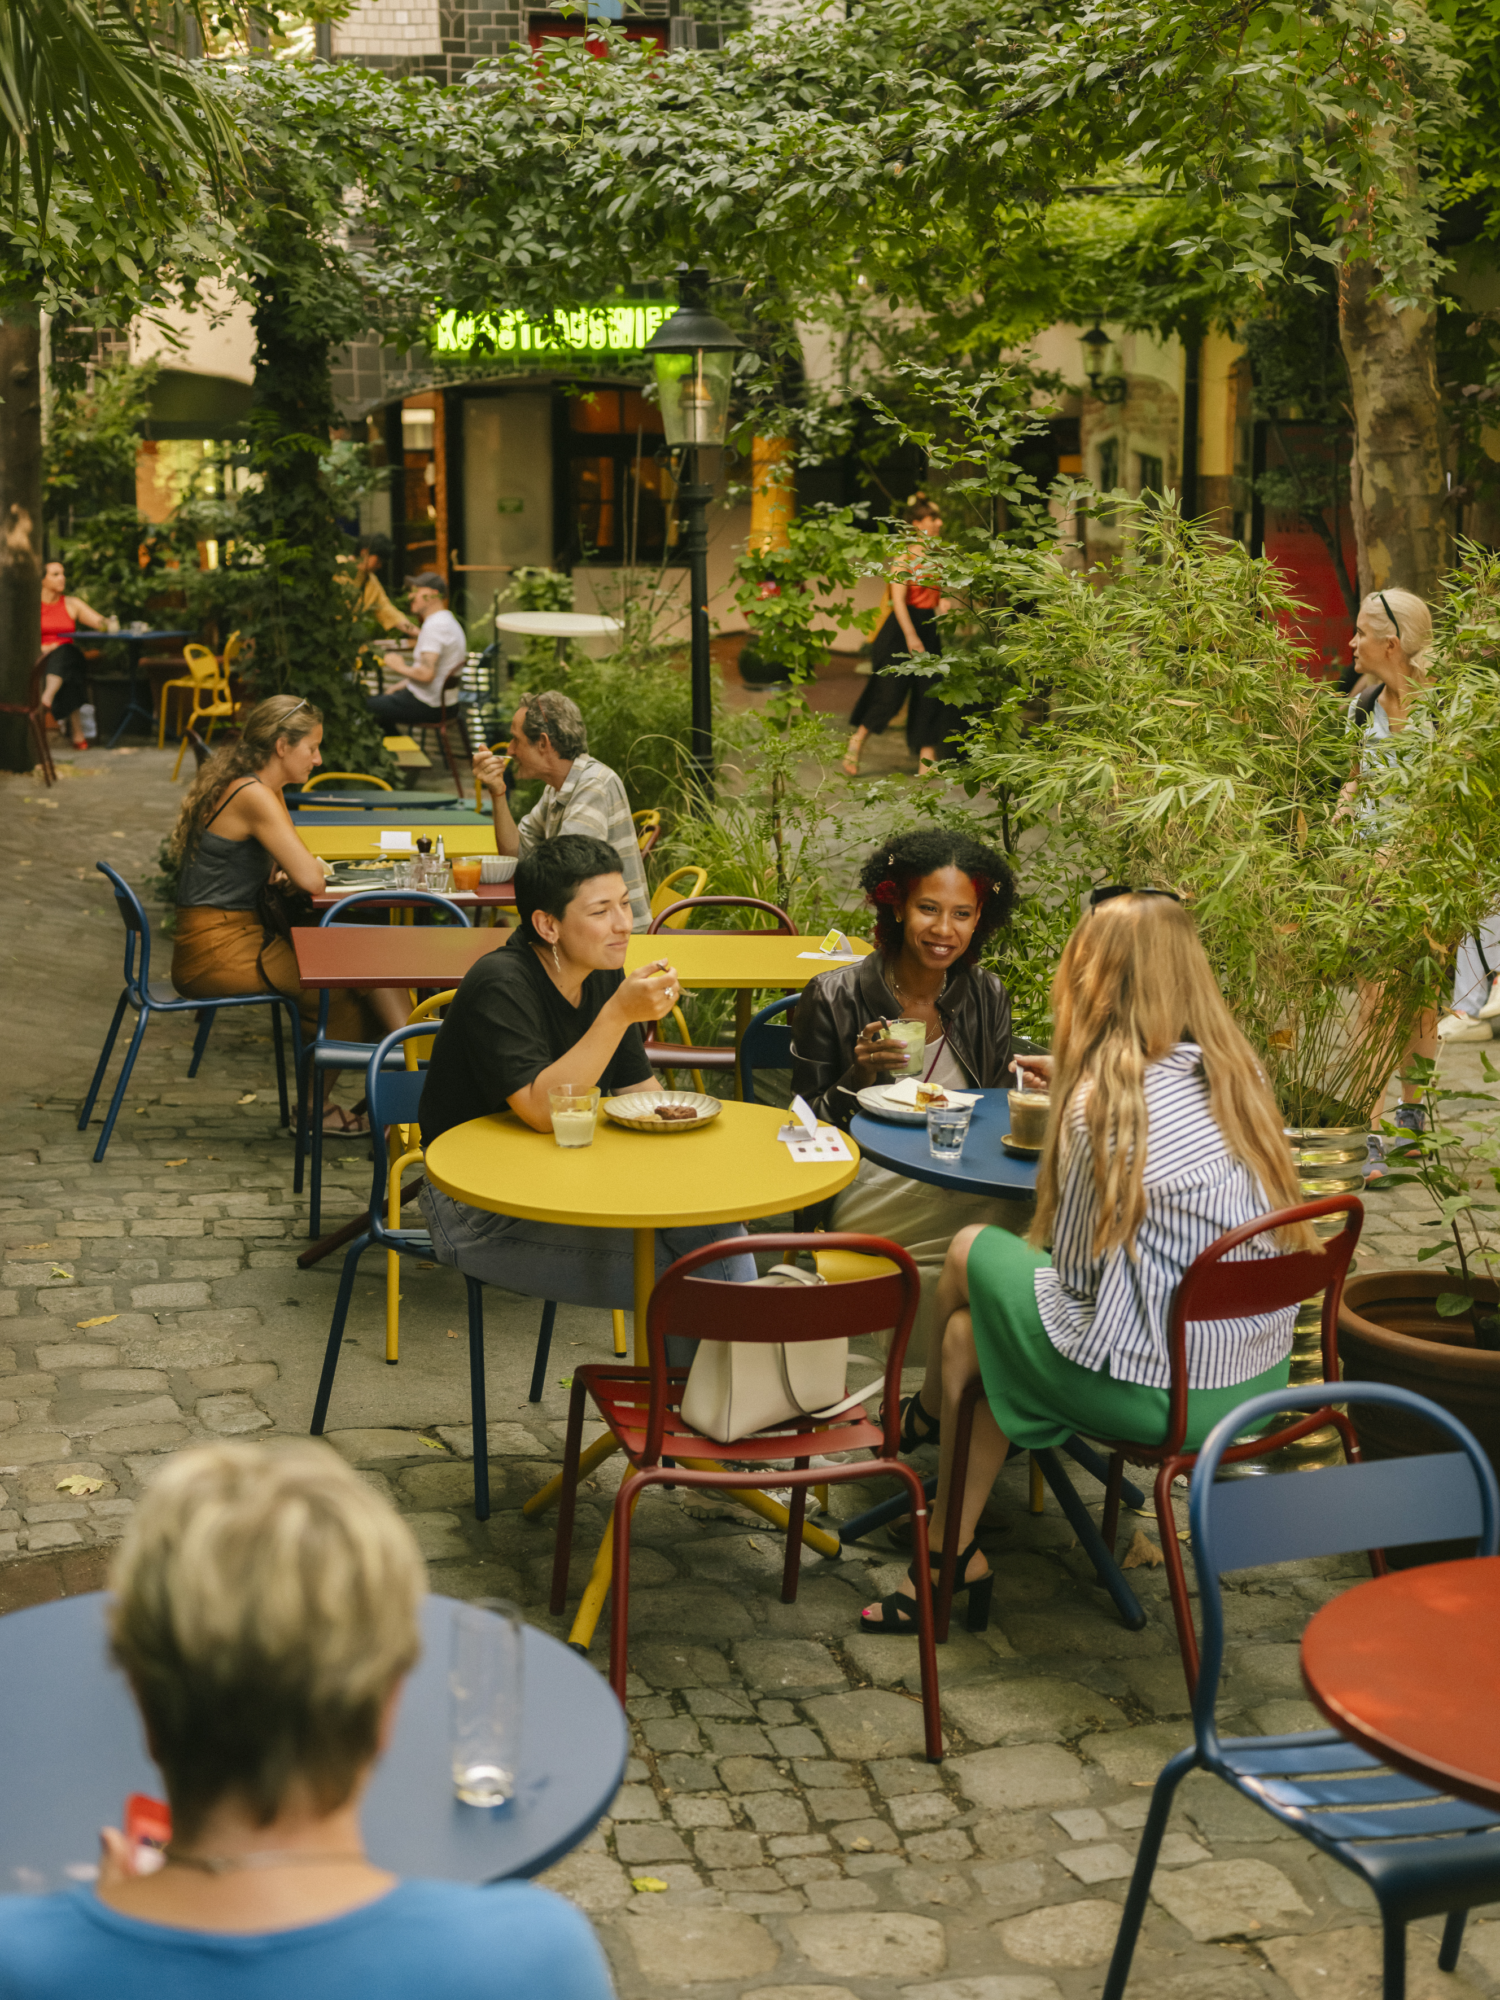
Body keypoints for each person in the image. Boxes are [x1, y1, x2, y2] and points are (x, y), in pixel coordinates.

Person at [0, 1439, 613, 2000]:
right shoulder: (532, 1962)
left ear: (140, 1699)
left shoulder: (22, 1962)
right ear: (388, 1704)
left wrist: (115, 1910)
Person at [859, 889, 1311, 1633]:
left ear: (1091, 978)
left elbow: (1072, 1283)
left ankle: (922, 1420)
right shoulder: (1241, 1079)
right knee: (972, 1334)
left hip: (1151, 1395)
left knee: (974, 1263)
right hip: (1251, 1380)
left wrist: (1076, 1092)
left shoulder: (1103, 1103)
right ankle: (947, 1554)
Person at [419, 834, 753, 1331]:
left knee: (717, 1227)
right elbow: (538, 1111)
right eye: (600, 912)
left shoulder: (598, 974)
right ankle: (711, 1403)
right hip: (478, 1208)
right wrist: (619, 1013)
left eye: (624, 904)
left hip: (565, 1183)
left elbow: (640, 1094)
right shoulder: (502, 982)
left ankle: (705, 1403)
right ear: (547, 925)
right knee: (700, 1278)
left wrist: (702, 1162)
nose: (623, 924)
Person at [790, 829, 1024, 1370]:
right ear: (897, 907)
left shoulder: (987, 996)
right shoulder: (833, 994)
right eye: (928, 909)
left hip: (964, 1173)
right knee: (1017, 1236)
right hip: (868, 1178)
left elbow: (991, 1112)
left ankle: (953, 1394)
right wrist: (857, 1075)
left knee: (1041, 1217)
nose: (944, 930)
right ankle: (971, 1388)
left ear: (979, 919)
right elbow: (801, 1132)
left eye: (962, 914)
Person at [167, 694, 408, 1133]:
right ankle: (405, 1083)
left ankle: (398, 1085)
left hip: (235, 937)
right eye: (311, 748)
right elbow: (312, 878)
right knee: (345, 978)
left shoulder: (260, 787)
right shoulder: (254, 794)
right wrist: (296, 873)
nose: (318, 759)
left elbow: (296, 866)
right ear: (282, 746)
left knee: (364, 962)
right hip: (216, 949)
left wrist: (291, 872)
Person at [1338, 588, 1439, 1181]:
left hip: (1430, 877)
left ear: (1390, 644)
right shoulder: (1361, 704)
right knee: (1374, 1000)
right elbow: (1357, 777)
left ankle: (1412, 1123)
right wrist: (1344, 807)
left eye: (1359, 633)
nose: (1350, 643)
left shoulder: (1446, 714)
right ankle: (1370, 1132)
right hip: (1372, 877)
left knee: (1419, 1003)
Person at [473, 690, 650, 931]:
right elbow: (515, 853)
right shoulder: (557, 788)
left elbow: (565, 877)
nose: (511, 750)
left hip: (618, 936)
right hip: (582, 929)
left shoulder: (593, 785)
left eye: (516, 740)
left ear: (544, 743)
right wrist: (498, 792)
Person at [842, 500, 961, 778]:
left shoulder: (936, 557)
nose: (939, 522)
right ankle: (857, 740)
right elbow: (898, 601)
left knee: (930, 693)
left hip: (926, 628)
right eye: (933, 517)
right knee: (889, 696)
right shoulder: (904, 558)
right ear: (918, 524)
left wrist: (943, 602)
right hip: (900, 630)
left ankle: (927, 759)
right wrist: (911, 637)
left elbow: (938, 592)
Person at [366, 572, 466, 729]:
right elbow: (437, 673)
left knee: (364, 708)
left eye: (416, 590)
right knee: (382, 703)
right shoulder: (448, 621)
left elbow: (427, 674)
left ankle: (393, 753)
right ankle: (394, 751)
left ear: (433, 594)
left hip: (429, 706)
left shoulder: (435, 626)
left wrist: (398, 666)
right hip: (446, 705)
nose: (410, 596)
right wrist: (400, 685)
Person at [38, 558, 111, 750]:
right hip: (41, 657)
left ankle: (47, 698)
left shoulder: (71, 604)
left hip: (67, 656)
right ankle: (78, 733)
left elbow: (101, 623)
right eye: (55, 574)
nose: (62, 578)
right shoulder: (32, 607)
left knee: (66, 652)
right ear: (42, 580)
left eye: (63, 573)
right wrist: (46, 648)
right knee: (69, 670)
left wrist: (110, 623)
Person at [349, 535, 419, 638]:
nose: (380, 566)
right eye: (379, 560)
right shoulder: (336, 567)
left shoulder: (372, 581)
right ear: (364, 552)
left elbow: (388, 611)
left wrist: (419, 633)